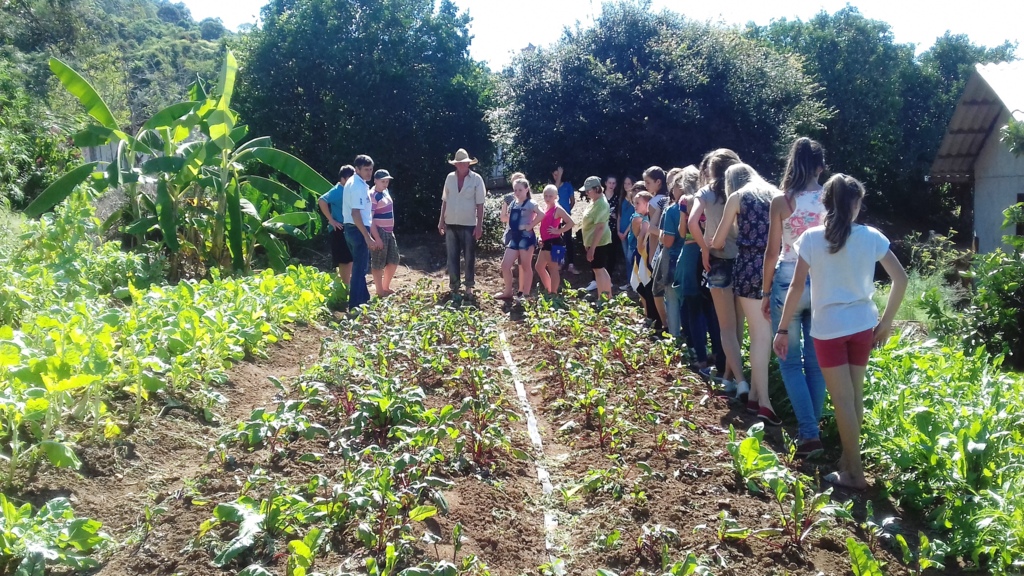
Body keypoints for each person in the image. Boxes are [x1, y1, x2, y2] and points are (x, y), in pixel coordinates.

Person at [773, 173, 907, 490]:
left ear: (825, 203)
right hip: (863, 326)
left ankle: (854, 473)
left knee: (843, 402)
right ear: (856, 203)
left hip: (829, 330)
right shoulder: (872, 236)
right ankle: (849, 462)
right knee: (854, 398)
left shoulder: (810, 239)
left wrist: (782, 328)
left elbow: (794, 287)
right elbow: (901, 279)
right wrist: (886, 322)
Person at [762, 137, 828, 457]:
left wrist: (764, 292)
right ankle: (811, 432)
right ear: (820, 166)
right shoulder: (831, 199)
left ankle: (809, 433)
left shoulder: (781, 201)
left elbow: (772, 251)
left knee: (789, 363)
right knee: (816, 365)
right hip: (823, 282)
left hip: (788, 280)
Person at [713, 164, 780, 425]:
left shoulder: (738, 197)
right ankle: (755, 395)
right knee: (766, 333)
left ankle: (763, 401)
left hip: (749, 267)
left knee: (758, 335)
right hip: (777, 267)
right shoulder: (776, 192)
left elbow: (719, 241)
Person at [688, 149, 747, 400]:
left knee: (726, 327)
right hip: (743, 259)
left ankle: (736, 381)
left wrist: (704, 247)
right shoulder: (743, 192)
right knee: (740, 327)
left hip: (718, 259)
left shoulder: (706, 192)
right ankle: (730, 377)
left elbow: (692, 222)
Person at [673, 166, 715, 374]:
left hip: (690, 253)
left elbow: (682, 231)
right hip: (710, 252)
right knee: (710, 307)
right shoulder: (709, 198)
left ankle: (700, 355)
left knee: (692, 305)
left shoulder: (685, 202)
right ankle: (718, 355)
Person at [438, 148, 486, 299]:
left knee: (469, 257)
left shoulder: (476, 179)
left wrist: (479, 225)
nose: (462, 165)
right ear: (456, 164)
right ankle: (454, 287)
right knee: (452, 256)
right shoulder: (450, 178)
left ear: (468, 163)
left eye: (464, 163)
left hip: (469, 224)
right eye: (459, 163)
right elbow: (445, 200)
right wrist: (441, 221)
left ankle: (469, 287)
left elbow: (480, 204)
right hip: (451, 222)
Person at [495, 178, 544, 300]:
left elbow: (542, 214)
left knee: (526, 267)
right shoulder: (513, 203)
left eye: (520, 190)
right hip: (514, 236)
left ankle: (525, 295)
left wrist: (531, 225)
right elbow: (505, 219)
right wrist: (504, 205)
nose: (517, 192)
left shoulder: (531, 203)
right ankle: (508, 292)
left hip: (526, 238)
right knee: (505, 265)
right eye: (515, 190)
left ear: (526, 190)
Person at [343, 155, 381, 310]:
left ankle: (364, 299)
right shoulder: (357, 185)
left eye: (371, 169)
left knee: (360, 267)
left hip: (352, 228)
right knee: (360, 269)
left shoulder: (356, 183)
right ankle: (355, 305)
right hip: (358, 230)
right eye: (366, 170)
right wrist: (367, 237)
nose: (369, 173)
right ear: (357, 169)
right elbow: (356, 213)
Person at [659, 170, 687, 343]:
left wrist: (661, 235)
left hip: (674, 258)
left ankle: (675, 336)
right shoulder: (700, 204)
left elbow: (668, 241)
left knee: (672, 297)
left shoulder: (673, 210)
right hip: (694, 259)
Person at [318, 164, 355, 288]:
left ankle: (345, 285)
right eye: (350, 179)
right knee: (344, 260)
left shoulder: (349, 190)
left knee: (349, 259)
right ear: (343, 179)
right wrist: (331, 220)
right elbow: (322, 200)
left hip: (348, 227)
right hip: (339, 229)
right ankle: (345, 286)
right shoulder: (337, 190)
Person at [535, 184, 576, 294]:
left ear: (555, 196)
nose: (547, 198)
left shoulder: (558, 209)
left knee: (553, 269)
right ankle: (549, 290)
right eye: (546, 196)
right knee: (539, 267)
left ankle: (553, 293)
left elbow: (571, 223)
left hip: (553, 242)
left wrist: (558, 231)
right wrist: (540, 237)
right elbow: (544, 225)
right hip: (545, 242)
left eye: (550, 196)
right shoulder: (546, 207)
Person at [644, 166, 671, 330]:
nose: (645, 185)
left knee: (655, 287)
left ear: (658, 182)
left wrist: (651, 254)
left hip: (657, 245)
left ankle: (660, 322)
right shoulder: (665, 199)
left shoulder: (655, 202)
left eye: (648, 182)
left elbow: (653, 231)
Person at [579, 176, 613, 299]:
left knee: (599, 270)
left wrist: (592, 248)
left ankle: (604, 298)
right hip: (594, 242)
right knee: (599, 269)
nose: (587, 193)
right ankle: (605, 297)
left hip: (599, 242)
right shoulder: (595, 201)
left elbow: (600, 228)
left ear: (597, 189)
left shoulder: (601, 204)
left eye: (589, 190)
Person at [370, 169, 400, 297]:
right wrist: (376, 238)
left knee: (394, 259)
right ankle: (379, 290)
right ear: (375, 180)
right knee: (378, 261)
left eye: (387, 181)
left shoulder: (385, 192)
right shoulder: (372, 195)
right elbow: (369, 219)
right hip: (379, 231)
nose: (385, 184)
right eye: (383, 181)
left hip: (389, 231)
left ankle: (385, 286)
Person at [629, 187, 655, 316]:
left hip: (644, 256)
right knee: (641, 283)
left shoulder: (645, 220)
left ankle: (650, 315)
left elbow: (640, 241)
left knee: (643, 283)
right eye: (634, 202)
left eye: (638, 203)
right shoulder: (644, 218)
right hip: (643, 255)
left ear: (647, 203)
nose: (635, 205)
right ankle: (648, 314)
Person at [552, 165, 578, 274]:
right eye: (555, 174)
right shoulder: (552, 187)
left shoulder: (568, 186)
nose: (557, 176)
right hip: (555, 218)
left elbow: (572, 201)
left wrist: (566, 213)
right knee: (556, 240)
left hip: (566, 218)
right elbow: (555, 192)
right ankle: (558, 263)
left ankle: (571, 264)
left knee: (568, 240)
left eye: (558, 174)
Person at [617, 176, 636, 290]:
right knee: (627, 258)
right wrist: (619, 231)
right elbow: (619, 216)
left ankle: (635, 282)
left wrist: (626, 232)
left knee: (631, 257)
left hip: (631, 232)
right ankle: (629, 282)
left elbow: (634, 218)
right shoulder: (622, 198)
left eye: (629, 183)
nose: (627, 186)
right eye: (625, 183)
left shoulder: (635, 200)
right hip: (622, 233)